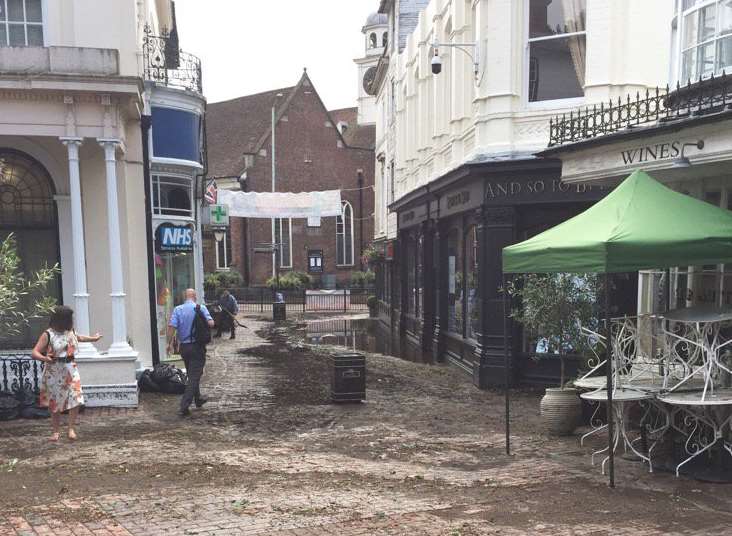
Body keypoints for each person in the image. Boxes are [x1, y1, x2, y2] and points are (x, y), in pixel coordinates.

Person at [31, 306, 102, 442]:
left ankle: (71, 428)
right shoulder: (48, 334)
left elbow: (78, 337)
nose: (71, 321)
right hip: (54, 370)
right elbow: (34, 352)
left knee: (75, 396)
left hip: (70, 368)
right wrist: (45, 358)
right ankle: (56, 431)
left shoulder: (69, 331)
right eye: (69, 318)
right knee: (55, 401)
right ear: (61, 319)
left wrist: (93, 339)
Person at [167, 289, 214, 416]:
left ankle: (198, 399)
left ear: (184, 297)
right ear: (195, 297)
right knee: (194, 376)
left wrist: (168, 343)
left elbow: (172, 326)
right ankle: (184, 405)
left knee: (192, 372)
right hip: (197, 346)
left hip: (184, 348)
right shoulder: (200, 308)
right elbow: (211, 323)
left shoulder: (178, 309)